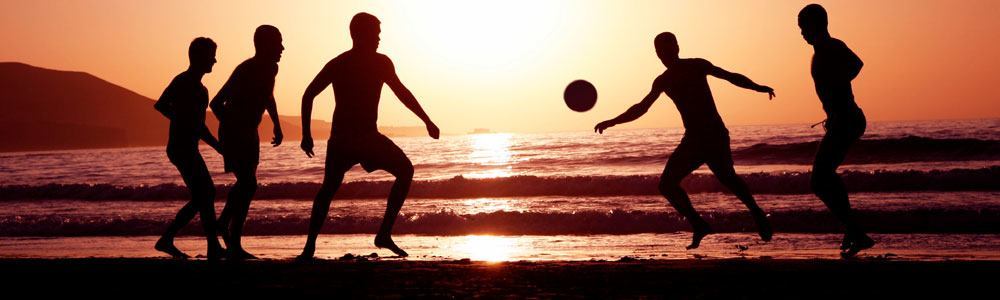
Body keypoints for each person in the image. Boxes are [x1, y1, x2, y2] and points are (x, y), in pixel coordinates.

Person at [595, 32, 774, 249]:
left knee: (728, 178)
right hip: (693, 139)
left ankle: (757, 214)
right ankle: (699, 224)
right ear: (657, 54)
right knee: (667, 185)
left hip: (714, 133)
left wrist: (757, 87)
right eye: (660, 51)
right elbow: (642, 108)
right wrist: (613, 121)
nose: (664, 54)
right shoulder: (663, 80)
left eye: (668, 48)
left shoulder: (697, 65)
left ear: (677, 47)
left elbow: (729, 76)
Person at [297, 13, 440, 260]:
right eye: (374, 33)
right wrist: (306, 134)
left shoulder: (380, 63)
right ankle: (310, 247)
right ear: (358, 34)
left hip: (364, 137)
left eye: (378, 33)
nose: (378, 38)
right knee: (328, 189)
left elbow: (402, 92)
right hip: (346, 139)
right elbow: (308, 94)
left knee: (404, 170)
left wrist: (426, 119)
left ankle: (382, 235)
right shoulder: (340, 63)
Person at [798, 4, 874, 257]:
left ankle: (855, 231)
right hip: (843, 118)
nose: (801, 33)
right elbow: (854, 67)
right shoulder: (827, 48)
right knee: (824, 176)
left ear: (817, 25)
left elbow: (857, 65)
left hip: (848, 119)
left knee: (819, 179)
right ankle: (852, 229)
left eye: (804, 27)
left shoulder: (830, 48)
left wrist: (839, 91)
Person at [210, 25, 284, 260]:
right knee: (248, 182)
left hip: (250, 132)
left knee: (247, 184)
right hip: (235, 133)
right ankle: (232, 240)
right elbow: (216, 103)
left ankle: (225, 228)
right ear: (264, 45)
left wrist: (276, 124)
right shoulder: (245, 69)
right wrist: (234, 127)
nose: (282, 48)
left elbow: (267, 95)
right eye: (278, 43)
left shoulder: (271, 68)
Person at [153, 37, 225, 260]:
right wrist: (180, 119)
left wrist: (217, 147)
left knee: (203, 195)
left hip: (189, 147)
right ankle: (204, 244)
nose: (215, 60)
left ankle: (177, 240)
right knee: (206, 193)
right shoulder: (182, 81)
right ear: (200, 57)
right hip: (179, 147)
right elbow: (161, 104)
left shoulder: (202, 90)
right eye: (211, 55)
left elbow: (201, 126)